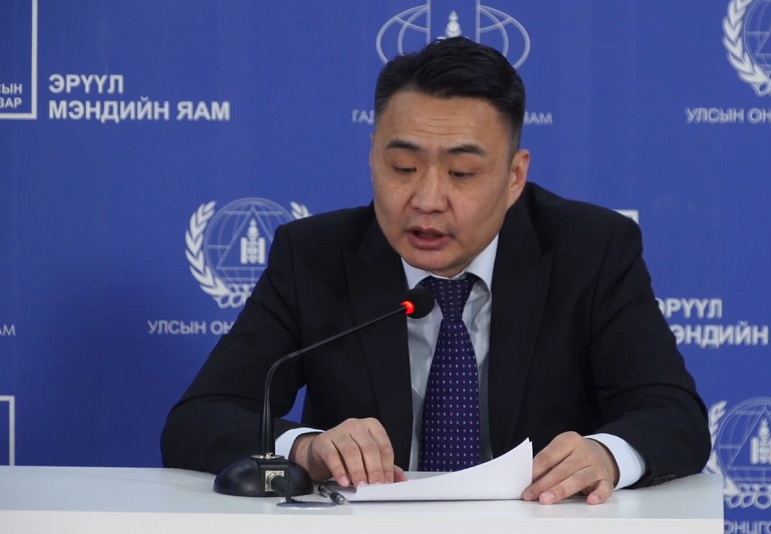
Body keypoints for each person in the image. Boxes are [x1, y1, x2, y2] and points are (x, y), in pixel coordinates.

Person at [160, 36, 710, 505]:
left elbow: (673, 414)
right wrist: (306, 449)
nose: (426, 199)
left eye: (462, 173)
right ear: (374, 157)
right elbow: (201, 418)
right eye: (403, 167)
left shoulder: (591, 250)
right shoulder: (313, 256)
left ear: (515, 178)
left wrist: (606, 457)